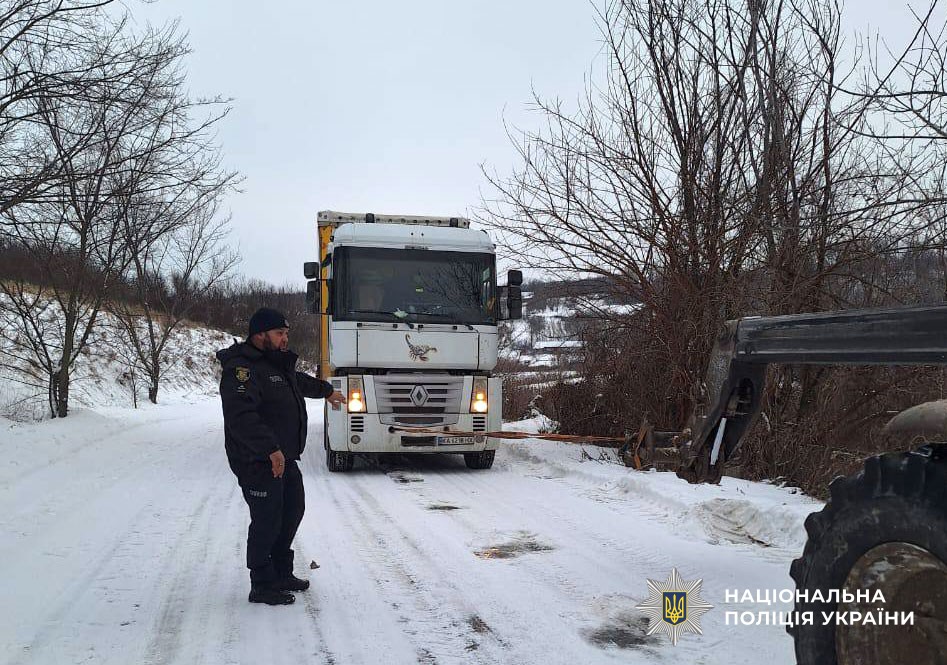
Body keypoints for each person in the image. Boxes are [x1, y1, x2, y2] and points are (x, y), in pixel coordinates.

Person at [216, 307, 346, 605]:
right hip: (256, 459)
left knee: (292, 511)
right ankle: (261, 583)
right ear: (259, 334)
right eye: (279, 333)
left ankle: (281, 572)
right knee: (267, 519)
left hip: (283, 456)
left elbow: (296, 381)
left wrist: (326, 391)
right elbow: (241, 416)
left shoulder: (274, 363)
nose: (285, 338)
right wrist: (269, 449)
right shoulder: (241, 369)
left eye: (286, 333)